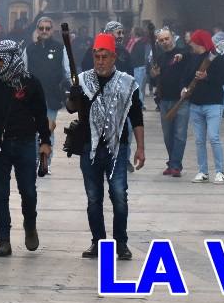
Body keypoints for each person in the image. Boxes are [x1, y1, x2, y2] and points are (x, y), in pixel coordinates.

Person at [66, 32, 145, 261]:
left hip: (117, 147)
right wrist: (73, 96)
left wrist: (140, 148)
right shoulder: (82, 80)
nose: (100, 61)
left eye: (105, 56)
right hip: (89, 146)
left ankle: (121, 243)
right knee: (93, 198)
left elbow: (136, 116)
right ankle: (98, 242)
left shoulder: (128, 83)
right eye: (97, 56)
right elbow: (71, 107)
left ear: (114, 57)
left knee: (119, 195)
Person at [0, 40, 52, 257]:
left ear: (11, 58)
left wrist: (45, 142)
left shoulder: (31, 83)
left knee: (28, 191)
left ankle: (30, 225)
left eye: (0, 58)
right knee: (1, 194)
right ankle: (3, 240)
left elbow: (41, 115)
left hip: (26, 143)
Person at [181, 30, 224, 184]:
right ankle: (203, 171)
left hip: (213, 104)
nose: (192, 45)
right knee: (199, 140)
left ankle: (219, 172)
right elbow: (187, 76)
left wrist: (207, 77)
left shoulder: (218, 59)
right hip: (195, 104)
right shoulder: (193, 58)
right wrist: (184, 88)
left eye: (194, 42)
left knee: (214, 138)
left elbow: (223, 79)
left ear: (199, 43)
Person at [25, 17, 69, 171]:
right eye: (41, 28)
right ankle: (35, 159)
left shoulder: (60, 48)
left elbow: (67, 71)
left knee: (47, 129)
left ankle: (45, 161)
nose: (44, 31)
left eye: (47, 28)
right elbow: (23, 71)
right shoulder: (30, 48)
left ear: (52, 30)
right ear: (37, 30)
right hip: (32, 97)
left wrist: (72, 87)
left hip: (51, 96)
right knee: (32, 131)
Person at [150, 28, 189, 176]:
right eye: (161, 40)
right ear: (158, 42)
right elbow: (154, 78)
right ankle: (172, 162)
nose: (165, 42)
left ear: (172, 38)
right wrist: (154, 75)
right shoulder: (159, 57)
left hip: (181, 101)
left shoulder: (182, 53)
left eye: (167, 39)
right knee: (168, 135)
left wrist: (181, 56)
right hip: (164, 100)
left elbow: (187, 54)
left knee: (180, 134)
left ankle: (175, 165)